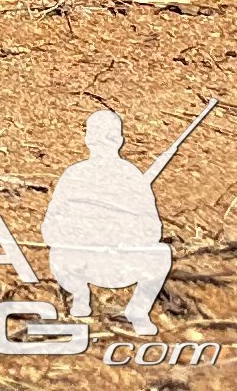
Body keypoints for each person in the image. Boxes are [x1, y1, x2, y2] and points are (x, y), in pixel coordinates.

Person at [41, 112, 173, 333]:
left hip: (110, 264)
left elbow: (50, 228)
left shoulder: (76, 173)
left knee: (161, 252)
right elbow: (152, 230)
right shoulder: (130, 175)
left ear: (88, 139)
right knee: (160, 253)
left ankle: (135, 310)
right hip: (95, 263)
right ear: (120, 140)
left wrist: (119, 237)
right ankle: (82, 297)